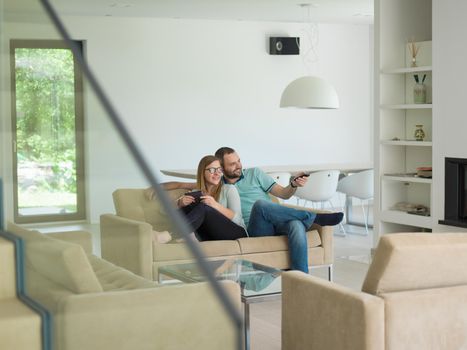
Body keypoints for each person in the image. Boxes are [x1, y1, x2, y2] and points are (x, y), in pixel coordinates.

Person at [213, 147, 343, 273]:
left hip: (276, 221)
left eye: (239, 161)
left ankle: (300, 278)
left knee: (296, 224)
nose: (238, 166)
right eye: (232, 164)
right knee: (260, 205)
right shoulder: (219, 186)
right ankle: (314, 217)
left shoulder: (255, 173)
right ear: (222, 168)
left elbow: (283, 194)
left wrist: (293, 184)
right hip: (255, 228)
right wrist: (192, 185)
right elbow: (201, 184)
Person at [175, 155, 248, 241]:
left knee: (205, 208)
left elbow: (238, 220)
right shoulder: (196, 192)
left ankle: (171, 235)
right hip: (210, 234)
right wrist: (179, 203)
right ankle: (186, 236)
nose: (217, 173)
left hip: (237, 233)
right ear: (202, 172)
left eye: (219, 169)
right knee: (185, 208)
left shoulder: (229, 189)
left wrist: (215, 205)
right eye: (212, 170)